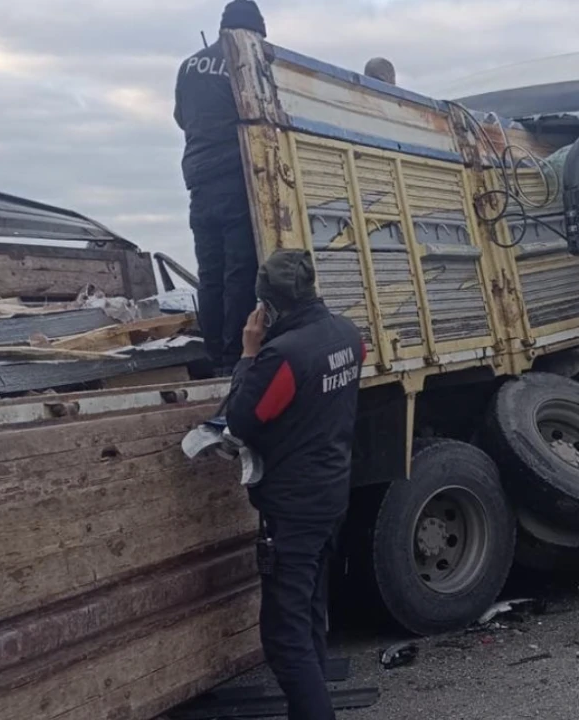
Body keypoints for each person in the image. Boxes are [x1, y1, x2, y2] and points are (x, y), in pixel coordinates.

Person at [224, 250, 365, 720]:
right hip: (331, 494)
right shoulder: (348, 335)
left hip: (294, 509)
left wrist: (248, 356)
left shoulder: (283, 356)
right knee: (306, 617)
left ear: (268, 306)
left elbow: (242, 420)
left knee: (284, 638)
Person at [174, 0, 267, 376]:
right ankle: (234, 357)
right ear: (251, 31)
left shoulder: (188, 65)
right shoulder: (245, 59)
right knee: (240, 271)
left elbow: (182, 118)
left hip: (199, 179)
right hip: (234, 176)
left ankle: (214, 354)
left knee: (210, 272)